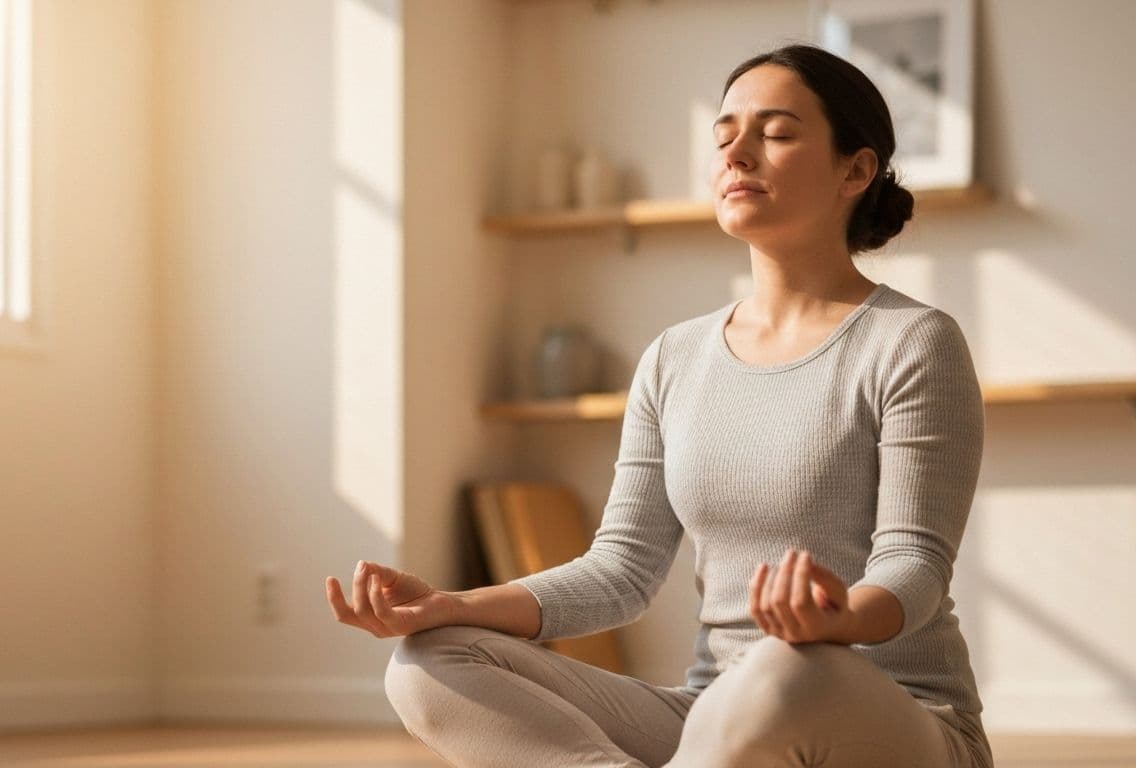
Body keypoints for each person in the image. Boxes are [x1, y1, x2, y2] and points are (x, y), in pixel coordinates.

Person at [324, 42, 994, 768]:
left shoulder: (913, 341)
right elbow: (620, 570)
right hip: (715, 719)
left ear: (855, 171)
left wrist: (839, 621)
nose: (737, 153)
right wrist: (456, 605)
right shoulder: (675, 357)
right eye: (724, 134)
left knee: (784, 670)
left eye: (776, 132)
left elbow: (914, 565)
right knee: (430, 662)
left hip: (892, 716)